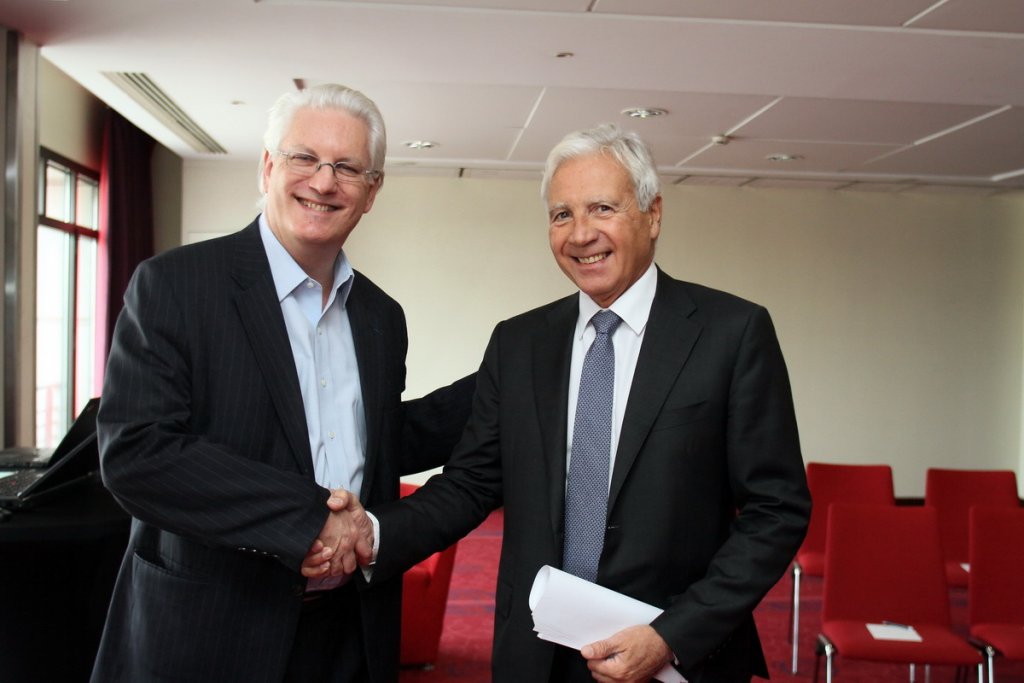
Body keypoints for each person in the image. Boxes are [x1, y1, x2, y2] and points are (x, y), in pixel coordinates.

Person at [342, 123, 810, 682]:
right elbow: (470, 483)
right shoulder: (520, 344)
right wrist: (374, 533)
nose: (580, 234)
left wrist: (672, 635)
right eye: (562, 214)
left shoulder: (732, 334)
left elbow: (775, 511)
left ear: (653, 213)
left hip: (673, 655)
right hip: (537, 654)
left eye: (602, 208)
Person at [92, 84, 474, 683]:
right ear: (268, 166)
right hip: (211, 631)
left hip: (347, 633)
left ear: (371, 192)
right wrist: (309, 520)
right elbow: (138, 453)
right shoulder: (176, 285)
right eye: (305, 158)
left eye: (348, 168)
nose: (324, 183)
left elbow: (370, 441)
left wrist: (517, 376)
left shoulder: (380, 316)